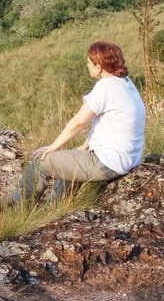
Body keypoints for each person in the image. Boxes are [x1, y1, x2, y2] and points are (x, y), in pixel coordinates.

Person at [18, 41, 146, 200]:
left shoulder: (106, 86)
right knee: (70, 159)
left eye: (89, 63)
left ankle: (18, 204)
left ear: (98, 66)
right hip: (127, 159)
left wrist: (52, 147)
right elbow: (108, 126)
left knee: (41, 161)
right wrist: (84, 147)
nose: (87, 65)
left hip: (108, 162)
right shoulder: (127, 84)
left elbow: (79, 122)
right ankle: (58, 206)